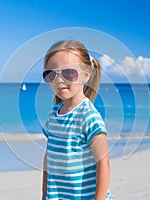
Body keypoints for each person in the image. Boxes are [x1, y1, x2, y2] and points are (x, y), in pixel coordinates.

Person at [41, 40, 112, 200]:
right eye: (51, 74)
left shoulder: (89, 117)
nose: (59, 80)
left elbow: (103, 163)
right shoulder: (53, 115)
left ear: (86, 75)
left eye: (68, 73)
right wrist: (44, 194)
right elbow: (48, 159)